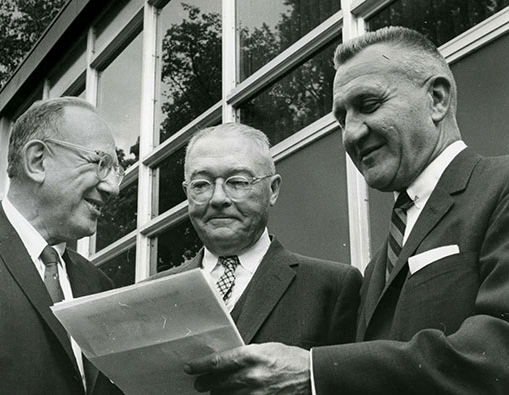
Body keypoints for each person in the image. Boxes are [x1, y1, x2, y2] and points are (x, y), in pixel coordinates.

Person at [182, 27, 509, 394]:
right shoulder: (376, 268)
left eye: (368, 105)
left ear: (436, 98)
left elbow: (500, 351)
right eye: (342, 118)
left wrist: (315, 371)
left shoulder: (500, 187)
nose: (351, 134)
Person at [0, 97, 125, 394]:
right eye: (101, 163)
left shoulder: (100, 286)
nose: (113, 187)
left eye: (116, 170)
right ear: (37, 161)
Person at [153, 122, 362, 348]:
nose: (218, 198)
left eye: (238, 182)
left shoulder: (332, 287)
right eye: (201, 184)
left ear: (272, 190)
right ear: (187, 194)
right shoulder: (152, 296)